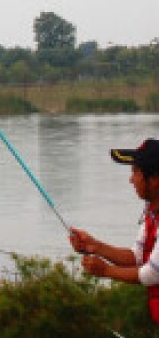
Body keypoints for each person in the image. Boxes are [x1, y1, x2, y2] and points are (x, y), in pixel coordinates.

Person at [69, 139, 159, 324]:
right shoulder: (151, 212)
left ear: (155, 179)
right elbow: (137, 257)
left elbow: (152, 274)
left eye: (136, 172)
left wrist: (106, 270)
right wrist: (94, 245)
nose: (131, 180)